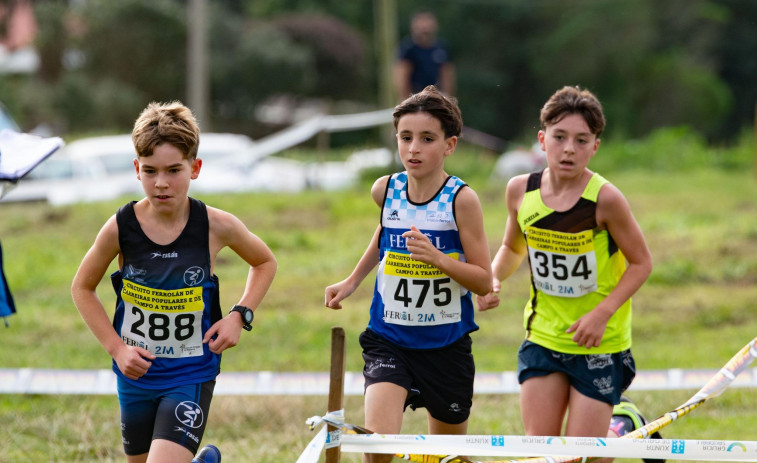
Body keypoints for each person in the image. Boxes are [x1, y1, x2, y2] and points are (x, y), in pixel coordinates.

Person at [71, 101, 277, 463]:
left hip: (190, 372)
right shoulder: (121, 226)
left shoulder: (215, 225)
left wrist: (239, 315)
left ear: (195, 168)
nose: (161, 183)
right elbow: (81, 288)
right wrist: (117, 349)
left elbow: (264, 261)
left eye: (173, 170)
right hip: (136, 374)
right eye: (150, 171)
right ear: (136, 169)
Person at [477, 86, 661, 461]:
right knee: (542, 454)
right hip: (543, 336)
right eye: (559, 138)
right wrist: (493, 277)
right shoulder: (519, 192)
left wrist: (601, 314)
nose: (569, 149)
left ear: (595, 147)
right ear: (542, 140)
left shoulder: (605, 199)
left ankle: (621, 423)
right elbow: (514, 248)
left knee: (587, 457)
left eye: (581, 140)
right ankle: (615, 424)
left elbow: (642, 263)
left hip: (599, 341)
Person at [325, 85, 492, 463]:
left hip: (446, 346)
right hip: (390, 339)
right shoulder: (385, 189)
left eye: (427, 139)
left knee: (448, 458)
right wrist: (352, 281)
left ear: (449, 145)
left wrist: (439, 259)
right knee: (377, 451)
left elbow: (483, 278)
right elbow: (384, 234)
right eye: (405, 137)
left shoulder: (461, 200)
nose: (413, 148)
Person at [394, 11, 456, 100]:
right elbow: (402, 77)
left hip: (438, 95)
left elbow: (447, 75)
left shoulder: (441, 48)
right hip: (416, 96)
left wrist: (448, 98)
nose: (425, 27)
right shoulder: (408, 49)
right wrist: (406, 100)